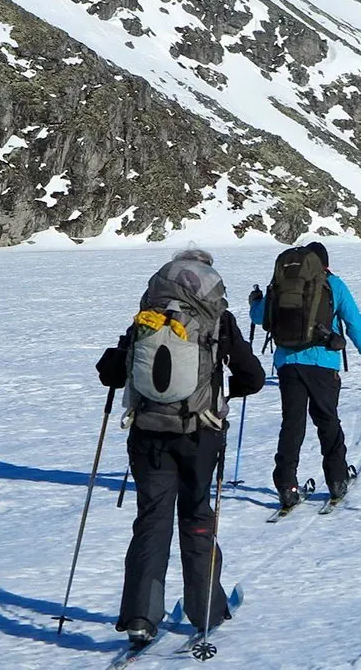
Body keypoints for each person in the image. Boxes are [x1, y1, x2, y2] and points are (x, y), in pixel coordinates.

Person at [95, 249, 263, 646]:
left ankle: (140, 616)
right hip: (199, 434)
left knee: (152, 520)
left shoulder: (148, 317)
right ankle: (206, 610)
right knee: (196, 516)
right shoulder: (217, 319)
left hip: (147, 433)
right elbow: (252, 377)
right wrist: (225, 392)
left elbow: (110, 372)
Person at [251, 242, 361, 511]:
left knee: (292, 424)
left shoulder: (283, 283)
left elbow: (259, 316)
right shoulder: (333, 284)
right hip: (323, 362)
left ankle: (286, 485)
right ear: (324, 264)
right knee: (327, 420)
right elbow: (354, 320)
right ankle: (337, 479)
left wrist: (255, 301)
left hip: (287, 363)